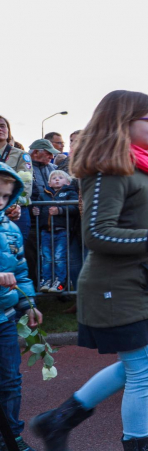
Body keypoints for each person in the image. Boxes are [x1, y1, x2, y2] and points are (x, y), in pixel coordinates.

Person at [31, 90, 148, 451]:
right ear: (123, 123)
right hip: (115, 287)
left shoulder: (138, 165)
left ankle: (58, 420)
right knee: (145, 370)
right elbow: (97, 234)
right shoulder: (109, 170)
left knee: (137, 366)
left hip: (135, 285)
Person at [0, 163, 41, 451]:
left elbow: (22, 272)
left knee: (10, 379)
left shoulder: (12, 230)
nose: (0, 202)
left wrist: (29, 304)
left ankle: (10, 436)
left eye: (5, 197)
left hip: (4, 317)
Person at [35, 169, 79, 293]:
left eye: (60, 177)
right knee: (46, 257)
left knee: (59, 257)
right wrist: (35, 210)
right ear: (49, 183)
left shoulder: (69, 193)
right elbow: (37, 206)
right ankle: (47, 279)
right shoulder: (44, 194)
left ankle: (60, 282)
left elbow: (74, 207)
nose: (57, 179)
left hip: (62, 230)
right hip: (46, 231)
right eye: (54, 178)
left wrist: (60, 210)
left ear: (68, 182)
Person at [0, 115, 33, 241]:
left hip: (15, 212)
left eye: (3, 126)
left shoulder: (21, 155)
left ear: (8, 131)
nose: (0, 129)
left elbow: (26, 185)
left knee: (13, 255)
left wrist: (11, 204)